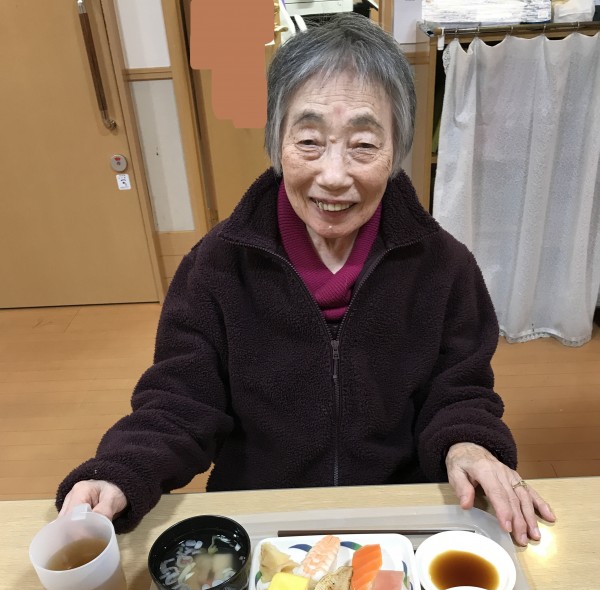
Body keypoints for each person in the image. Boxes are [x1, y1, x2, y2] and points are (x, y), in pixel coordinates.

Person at [57, 14, 555, 545]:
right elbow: (180, 400)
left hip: (395, 517)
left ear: (396, 152)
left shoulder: (445, 268)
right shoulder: (216, 267)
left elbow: (459, 391)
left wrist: (468, 443)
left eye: (364, 144)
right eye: (310, 141)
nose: (334, 176)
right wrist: (119, 471)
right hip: (260, 520)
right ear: (277, 142)